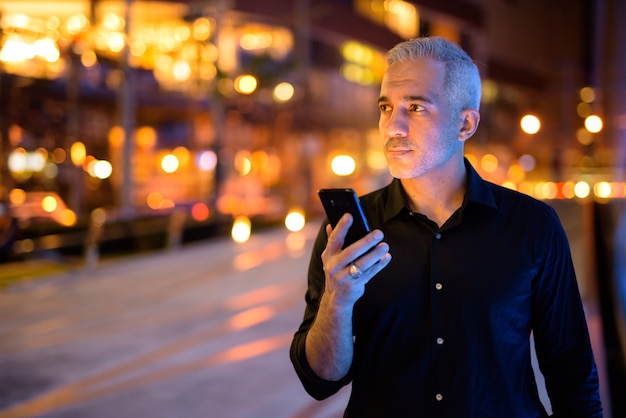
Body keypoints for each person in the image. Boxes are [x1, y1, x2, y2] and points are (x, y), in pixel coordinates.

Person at [289, 36, 603, 417]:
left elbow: (570, 368)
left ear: (465, 123)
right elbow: (319, 381)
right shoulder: (349, 229)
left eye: (416, 107)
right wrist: (337, 300)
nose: (392, 127)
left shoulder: (532, 226)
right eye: (385, 107)